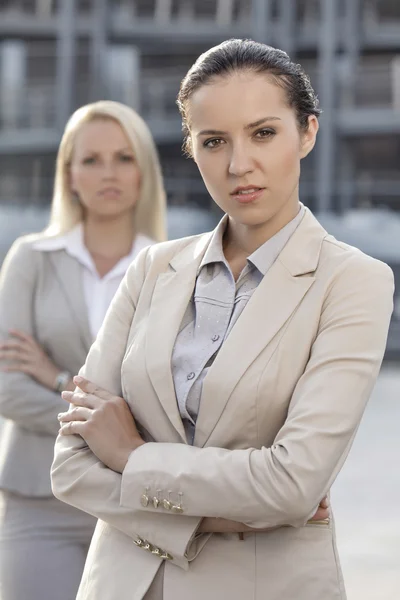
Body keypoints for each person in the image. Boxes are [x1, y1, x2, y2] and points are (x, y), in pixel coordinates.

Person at [51, 40, 394, 600]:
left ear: (306, 132)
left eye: (263, 133)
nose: (239, 165)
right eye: (213, 142)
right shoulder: (153, 269)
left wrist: (131, 458)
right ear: (193, 148)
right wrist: (229, 516)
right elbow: (69, 467)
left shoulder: (354, 282)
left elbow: (291, 485)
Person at [0, 100, 166, 600]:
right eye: (90, 159)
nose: (107, 173)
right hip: (37, 497)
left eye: (124, 157)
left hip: (136, 504)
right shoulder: (31, 258)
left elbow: (173, 403)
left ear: (144, 173)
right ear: (68, 174)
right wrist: (109, 420)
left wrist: (54, 377)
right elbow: (6, 388)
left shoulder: (171, 269)